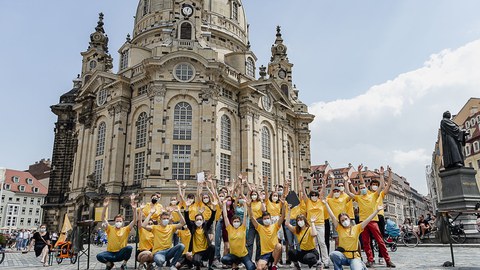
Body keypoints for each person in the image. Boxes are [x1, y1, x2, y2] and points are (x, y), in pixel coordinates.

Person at [344, 165, 395, 268]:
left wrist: (381, 175)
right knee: (366, 242)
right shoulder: (358, 197)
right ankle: (370, 260)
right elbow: (349, 192)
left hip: (373, 221)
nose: (362, 189)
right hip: (363, 222)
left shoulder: (374, 195)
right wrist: (346, 182)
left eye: (363, 187)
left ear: (367, 188)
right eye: (361, 188)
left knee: (380, 241)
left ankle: (388, 260)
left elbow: (381, 186)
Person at [324, 198, 384, 270]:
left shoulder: (357, 228)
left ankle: (360, 264)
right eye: (342, 220)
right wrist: (326, 204)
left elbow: (368, 219)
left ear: (349, 219)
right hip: (344, 256)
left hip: (354, 257)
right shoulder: (339, 228)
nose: (344, 221)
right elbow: (332, 216)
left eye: (346, 219)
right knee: (333, 255)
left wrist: (376, 211)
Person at [96, 195, 136, 270]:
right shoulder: (110, 228)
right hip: (110, 254)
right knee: (99, 256)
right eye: (117, 221)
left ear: (123, 222)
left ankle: (124, 264)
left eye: (120, 221)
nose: (118, 222)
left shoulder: (126, 229)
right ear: (114, 222)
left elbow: (134, 220)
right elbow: (103, 218)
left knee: (129, 248)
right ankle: (109, 264)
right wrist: (105, 207)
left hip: (120, 253)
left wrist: (134, 209)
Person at [248, 195, 286, 270]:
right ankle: (267, 265)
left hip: (273, 253)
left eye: (268, 218)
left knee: (279, 246)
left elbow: (282, 216)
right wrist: (249, 207)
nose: (266, 220)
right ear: (262, 220)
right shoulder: (260, 227)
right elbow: (252, 218)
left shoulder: (275, 226)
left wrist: (283, 205)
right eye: (265, 219)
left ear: (270, 219)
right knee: (259, 268)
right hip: (264, 254)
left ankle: (274, 265)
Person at [142, 205, 186, 270]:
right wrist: (151, 213)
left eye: (167, 219)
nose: (166, 220)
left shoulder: (171, 227)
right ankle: (157, 265)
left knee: (181, 246)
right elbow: (143, 225)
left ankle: (172, 265)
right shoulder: (155, 227)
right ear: (160, 219)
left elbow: (183, 223)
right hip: (158, 252)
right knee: (160, 261)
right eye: (164, 218)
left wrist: (179, 212)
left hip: (169, 251)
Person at [299, 175, 329, 268]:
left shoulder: (321, 201)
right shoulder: (308, 201)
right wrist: (302, 184)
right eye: (312, 195)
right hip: (310, 225)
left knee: (322, 242)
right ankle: (316, 260)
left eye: (316, 195)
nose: (314, 196)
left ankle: (326, 260)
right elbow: (303, 193)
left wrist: (323, 184)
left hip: (320, 224)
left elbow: (323, 192)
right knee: (314, 244)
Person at [184, 191, 217, 270]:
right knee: (196, 261)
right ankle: (198, 265)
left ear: (203, 220)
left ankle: (210, 265)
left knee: (212, 247)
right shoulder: (192, 227)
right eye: (197, 220)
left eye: (200, 219)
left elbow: (212, 219)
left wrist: (214, 208)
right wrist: (187, 208)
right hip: (197, 252)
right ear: (195, 221)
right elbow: (187, 219)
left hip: (205, 251)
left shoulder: (205, 226)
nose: (199, 221)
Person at [220, 197, 255, 270]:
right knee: (224, 259)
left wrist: (245, 204)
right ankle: (235, 263)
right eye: (234, 221)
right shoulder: (229, 228)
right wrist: (224, 205)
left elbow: (245, 216)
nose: (236, 223)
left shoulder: (242, 227)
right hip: (234, 255)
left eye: (237, 221)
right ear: (232, 223)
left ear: (240, 222)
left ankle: (248, 263)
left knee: (251, 268)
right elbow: (225, 217)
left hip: (244, 255)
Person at [136, 205, 154, 270]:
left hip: (151, 252)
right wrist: (140, 210)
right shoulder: (142, 230)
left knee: (150, 254)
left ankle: (148, 265)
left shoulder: (154, 232)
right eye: (148, 223)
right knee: (148, 254)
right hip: (141, 251)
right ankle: (142, 265)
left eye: (151, 223)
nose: (150, 224)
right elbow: (139, 222)